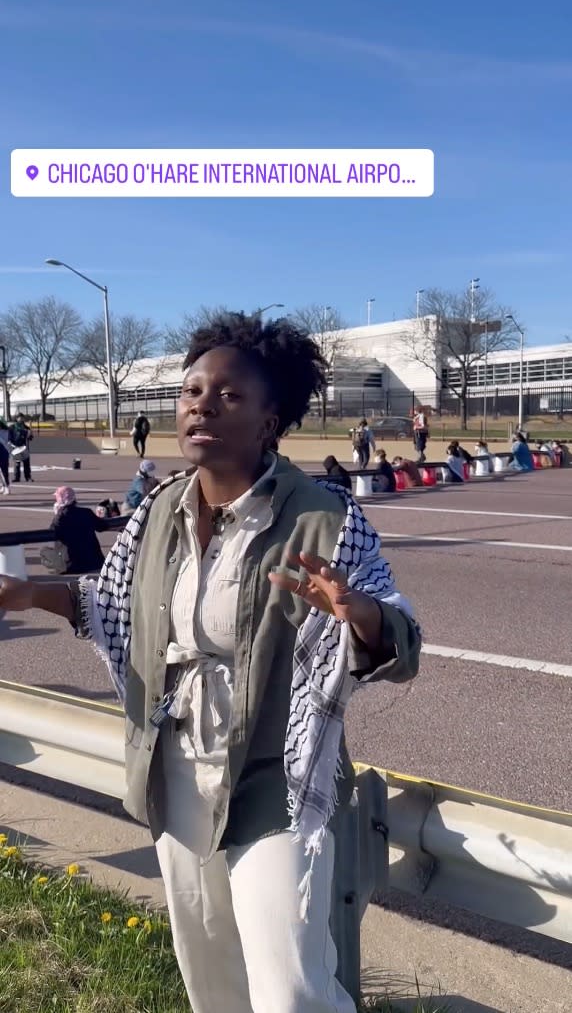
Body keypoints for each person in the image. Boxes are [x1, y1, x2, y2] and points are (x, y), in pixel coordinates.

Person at [0, 311, 421, 1013]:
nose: (201, 404)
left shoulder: (326, 518)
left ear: (269, 420)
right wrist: (28, 592)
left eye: (228, 395)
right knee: (212, 980)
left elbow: (401, 640)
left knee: (292, 992)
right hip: (177, 767)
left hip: (277, 779)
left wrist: (362, 616)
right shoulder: (157, 511)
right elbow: (111, 606)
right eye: (192, 390)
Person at [40, 487, 106, 575]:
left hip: (72, 565)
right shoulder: (86, 512)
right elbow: (101, 527)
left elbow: (52, 534)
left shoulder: (61, 516)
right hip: (95, 562)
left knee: (44, 551)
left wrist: (58, 514)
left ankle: (58, 568)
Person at [8, 414, 34, 483]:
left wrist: (30, 434)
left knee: (26, 464)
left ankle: (28, 477)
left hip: (24, 448)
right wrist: (13, 445)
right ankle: (17, 477)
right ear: (16, 418)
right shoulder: (12, 427)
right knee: (17, 464)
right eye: (19, 417)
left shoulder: (26, 427)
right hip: (16, 448)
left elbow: (30, 438)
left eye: (22, 418)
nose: (21, 419)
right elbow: (9, 438)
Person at [0, 418, 10, 495]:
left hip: (3, 453)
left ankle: (7, 487)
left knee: (4, 471)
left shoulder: (5, 432)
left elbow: (4, 442)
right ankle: (3, 486)